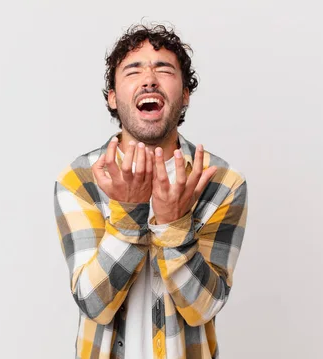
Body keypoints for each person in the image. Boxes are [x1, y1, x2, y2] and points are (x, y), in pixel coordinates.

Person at [53, 23, 248, 359]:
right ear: (112, 97)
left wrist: (174, 226)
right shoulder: (80, 179)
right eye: (133, 70)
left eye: (164, 69)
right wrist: (129, 215)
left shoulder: (221, 182)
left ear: (185, 94)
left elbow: (203, 308)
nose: (149, 79)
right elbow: (93, 304)